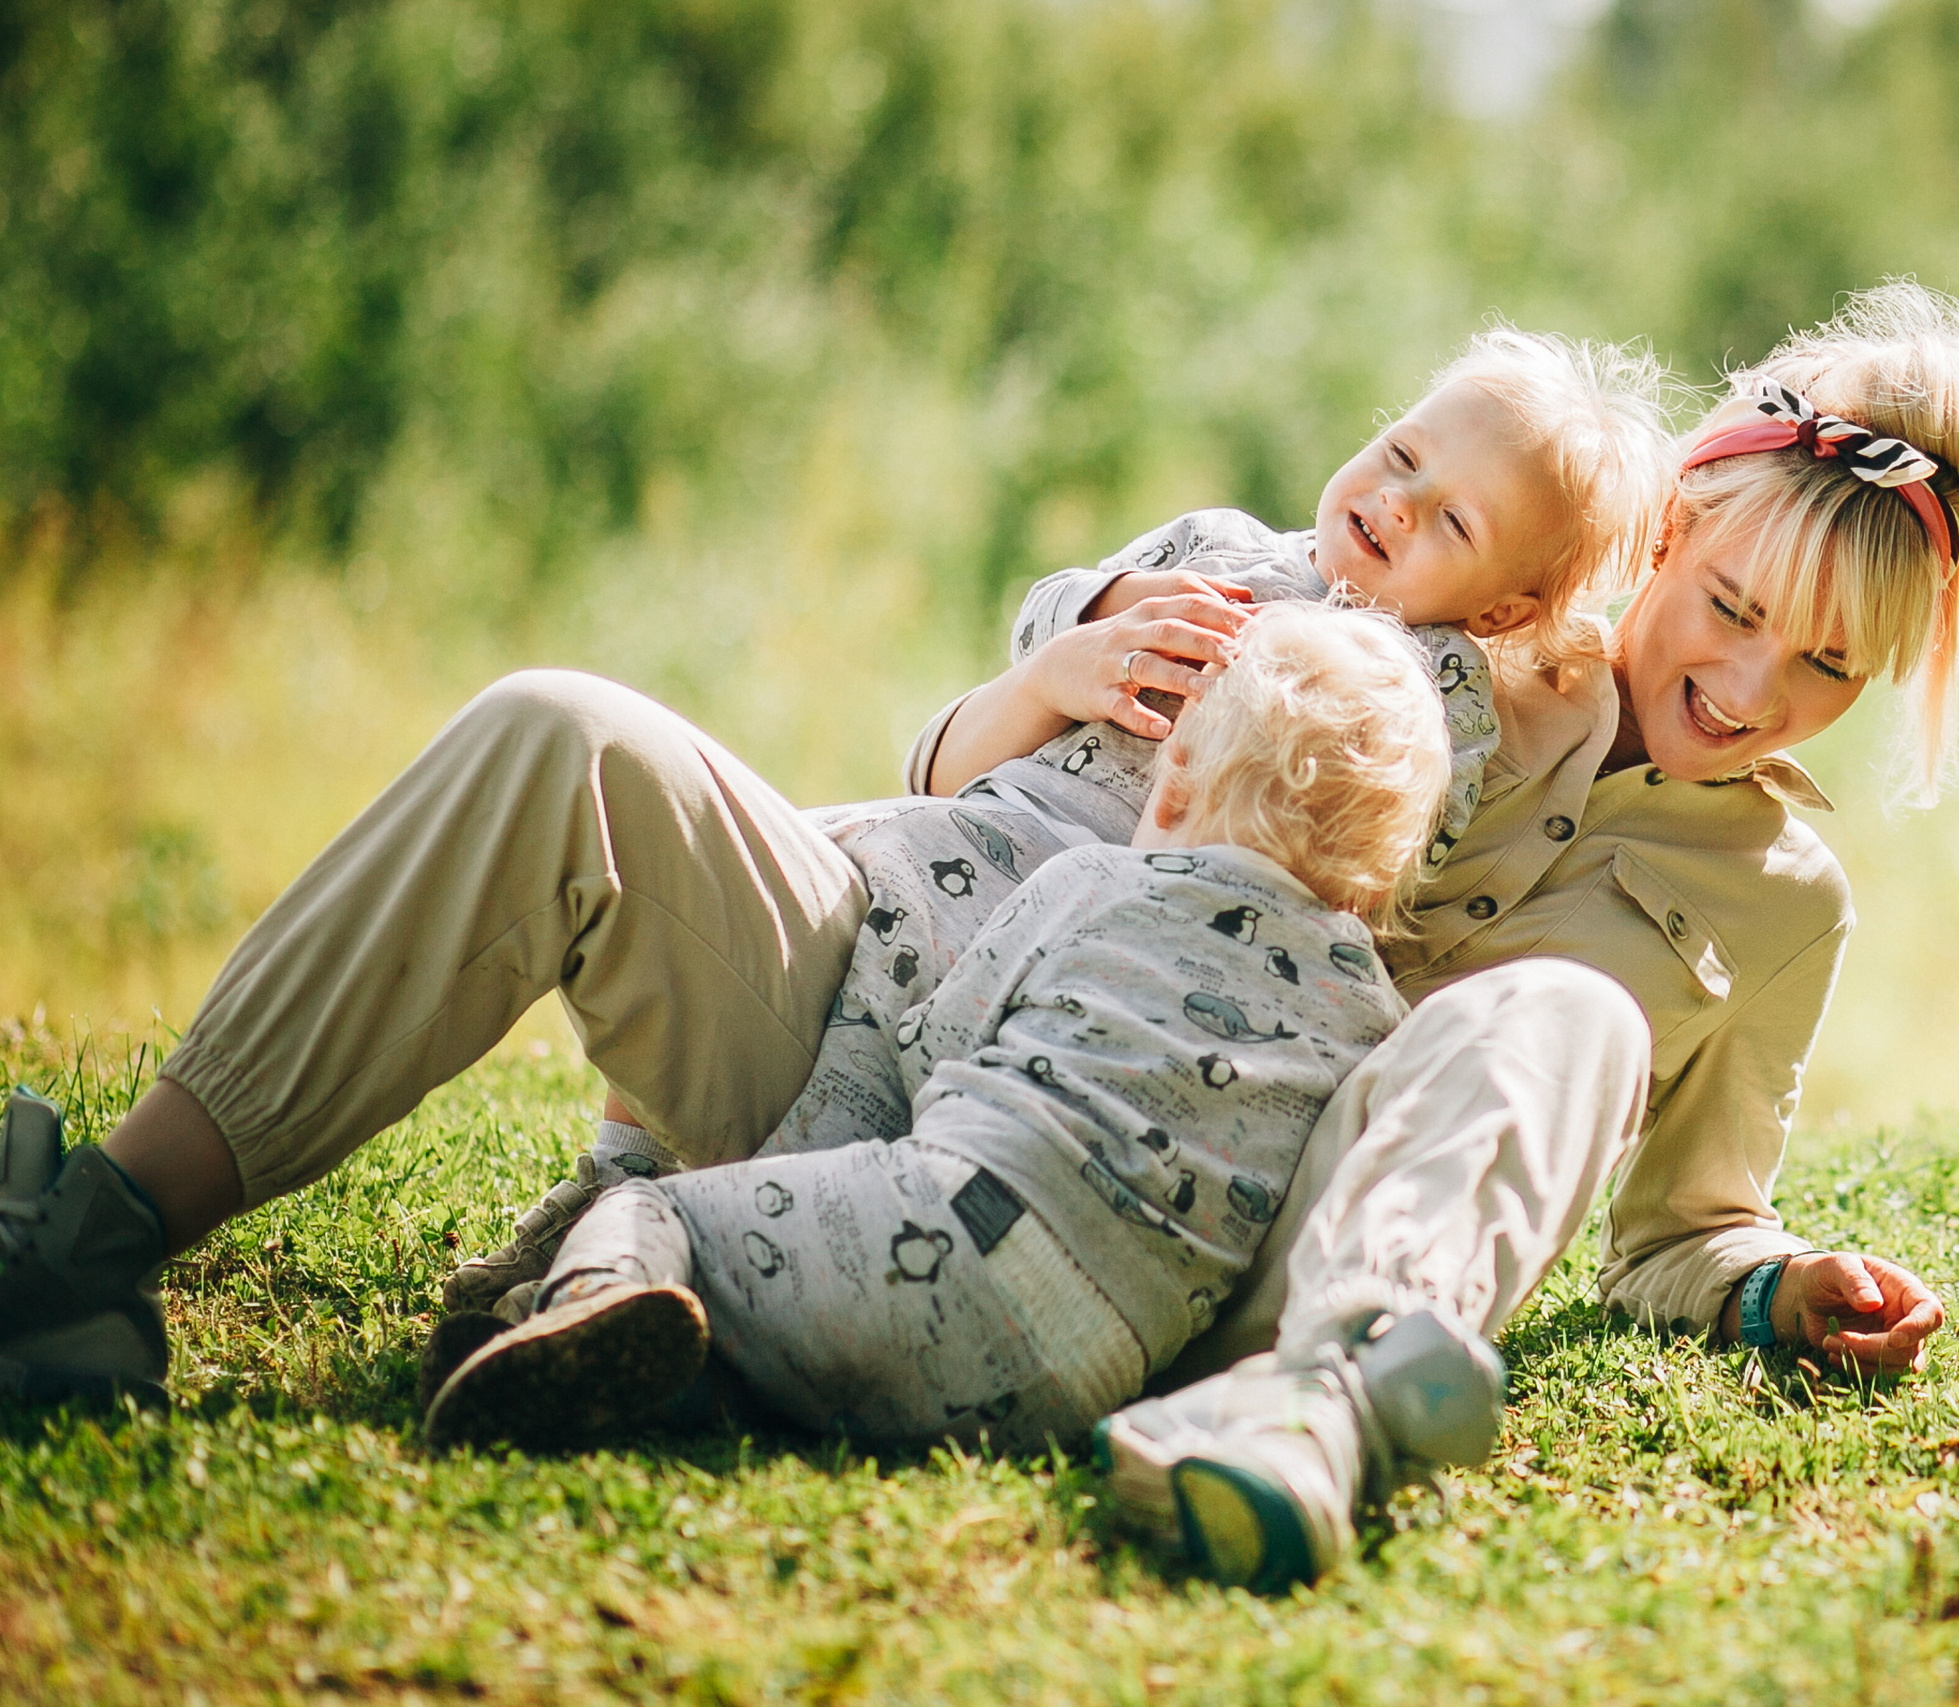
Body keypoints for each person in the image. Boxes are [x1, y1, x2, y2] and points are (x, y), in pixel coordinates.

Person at [906, 283, 1959, 1590]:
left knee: (1576, 1015)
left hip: (1281, 1270)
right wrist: (1069, 641)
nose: (1754, 691)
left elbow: (1684, 1228)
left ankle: (1312, 1406)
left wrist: (1779, 1286)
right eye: (1732, 608)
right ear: (1672, 527)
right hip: (1076, 1111)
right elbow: (1118, 687)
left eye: (1830, 667)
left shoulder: (1786, 904)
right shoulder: (1456, 620)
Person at [433, 325, 1675, 1323]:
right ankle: (615, 1181)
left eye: (1453, 521)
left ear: (1507, 612)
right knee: (776, 865)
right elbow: (1038, 622)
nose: (1398, 503)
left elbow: (1386, 824)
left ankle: (711, 1238)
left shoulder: (1431, 685)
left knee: (882, 1036)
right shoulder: (1222, 548)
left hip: (1093, 920)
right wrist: (1094, 633)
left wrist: (1316, 693)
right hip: (968, 827)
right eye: (1402, 456)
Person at [421, 603, 1499, 1454]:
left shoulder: (1090, 884)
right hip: (1095, 1372)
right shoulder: (1367, 1008)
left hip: (948, 1228)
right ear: (1370, 892)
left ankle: (572, 1306)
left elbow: (939, 1048)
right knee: (824, 1348)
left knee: (663, 1213)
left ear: (1171, 786)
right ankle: (673, 1381)